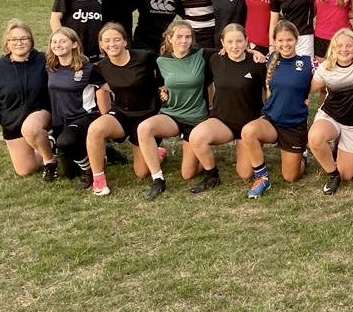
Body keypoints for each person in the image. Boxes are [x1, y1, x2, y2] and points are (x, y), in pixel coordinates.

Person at [187, 24, 266, 193]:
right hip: (222, 121)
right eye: (229, 42)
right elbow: (188, 51)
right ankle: (212, 175)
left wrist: (253, 52)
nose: (234, 46)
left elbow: (269, 91)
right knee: (196, 136)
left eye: (239, 41)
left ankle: (255, 144)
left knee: (245, 174)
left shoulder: (257, 62)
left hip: (248, 125)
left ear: (246, 41)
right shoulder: (215, 59)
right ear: (222, 43)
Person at [136, 21, 210, 200]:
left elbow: (230, 50)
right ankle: (158, 179)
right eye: (179, 36)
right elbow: (157, 84)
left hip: (195, 118)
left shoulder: (202, 55)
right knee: (144, 128)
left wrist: (253, 51)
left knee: (188, 174)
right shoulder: (160, 61)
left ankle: (201, 151)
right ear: (170, 38)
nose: (184, 41)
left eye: (188, 37)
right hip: (172, 114)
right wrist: (163, 92)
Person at [87, 23, 162, 196]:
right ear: (101, 44)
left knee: (141, 172)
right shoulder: (100, 67)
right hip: (122, 113)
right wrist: (106, 119)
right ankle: (98, 179)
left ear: (125, 41)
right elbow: (102, 92)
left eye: (116, 39)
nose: (112, 44)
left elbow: (164, 78)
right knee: (95, 129)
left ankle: (156, 151)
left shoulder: (145, 57)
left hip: (147, 115)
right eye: (107, 40)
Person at [242, 21, 314, 198]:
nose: (285, 44)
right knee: (248, 131)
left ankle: (302, 154)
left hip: (294, 125)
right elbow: (240, 54)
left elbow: (330, 71)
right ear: (274, 41)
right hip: (271, 121)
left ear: (296, 40)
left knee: (290, 177)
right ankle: (262, 177)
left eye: (289, 40)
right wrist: (250, 51)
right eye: (280, 40)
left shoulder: (308, 63)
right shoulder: (269, 60)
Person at [0, 20, 54, 178]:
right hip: (13, 123)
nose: (19, 43)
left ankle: (49, 162)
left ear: (31, 41)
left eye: (24, 38)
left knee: (31, 128)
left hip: (42, 115)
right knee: (25, 169)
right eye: (14, 39)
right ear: (7, 43)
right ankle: (52, 145)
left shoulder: (44, 60)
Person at [307, 28, 353, 195]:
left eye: (349, 45)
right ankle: (333, 175)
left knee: (347, 175)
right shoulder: (326, 67)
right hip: (331, 116)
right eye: (339, 46)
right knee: (315, 138)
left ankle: (339, 147)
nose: (344, 49)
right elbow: (308, 88)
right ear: (333, 48)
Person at [46, 27, 107, 188]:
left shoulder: (88, 68)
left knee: (66, 141)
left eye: (62, 41)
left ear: (74, 44)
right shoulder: (50, 68)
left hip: (84, 117)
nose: (57, 45)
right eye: (54, 41)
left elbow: (105, 90)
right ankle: (105, 153)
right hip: (61, 121)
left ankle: (89, 170)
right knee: (69, 173)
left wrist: (106, 117)